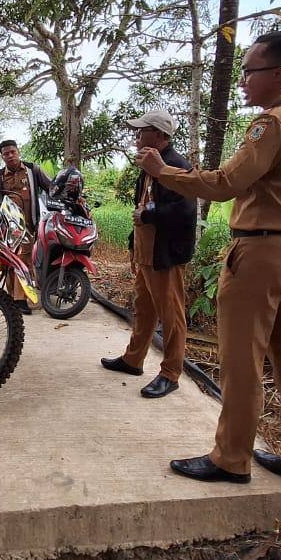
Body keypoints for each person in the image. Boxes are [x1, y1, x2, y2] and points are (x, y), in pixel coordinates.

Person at [137, 32, 281, 493]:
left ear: (278, 74)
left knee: (241, 359)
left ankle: (230, 458)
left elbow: (226, 182)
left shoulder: (273, 123)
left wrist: (164, 172)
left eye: (249, 71)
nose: (243, 81)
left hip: (261, 253)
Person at [101, 109, 196, 398]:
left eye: (142, 131)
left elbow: (185, 210)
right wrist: (133, 244)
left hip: (165, 255)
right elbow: (138, 210)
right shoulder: (149, 167)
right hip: (146, 253)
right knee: (143, 309)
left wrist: (150, 214)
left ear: (160, 135)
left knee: (171, 315)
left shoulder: (177, 165)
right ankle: (133, 359)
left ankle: (170, 373)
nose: (136, 136)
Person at [0, 139, 52, 313]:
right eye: (6, 154)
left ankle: (19, 300)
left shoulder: (33, 170)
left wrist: (71, 197)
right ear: (2, 157)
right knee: (9, 262)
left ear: (18, 152)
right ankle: (12, 298)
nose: (10, 156)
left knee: (23, 260)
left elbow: (51, 187)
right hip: (7, 228)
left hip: (27, 227)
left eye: (13, 152)